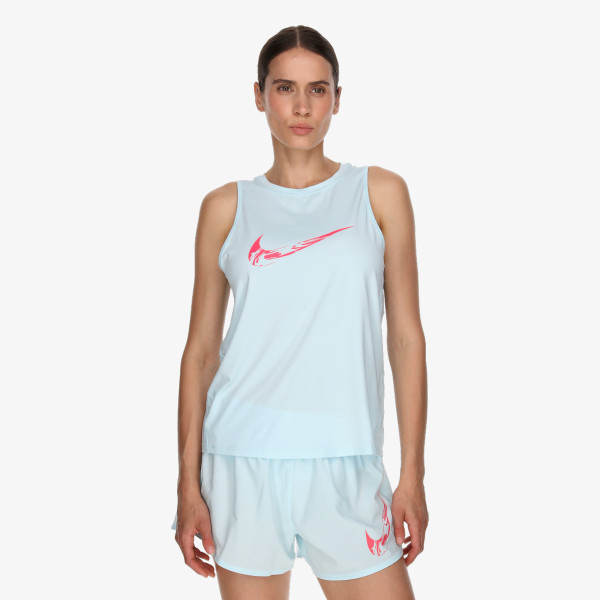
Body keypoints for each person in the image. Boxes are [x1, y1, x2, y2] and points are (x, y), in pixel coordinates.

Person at [171, 24, 428, 600]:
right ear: (259, 95)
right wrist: (187, 484)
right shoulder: (226, 207)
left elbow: (406, 339)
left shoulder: (379, 193)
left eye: (318, 89)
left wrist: (412, 472)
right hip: (241, 460)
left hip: (346, 460)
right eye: (285, 88)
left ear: (338, 98)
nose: (302, 107)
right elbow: (201, 353)